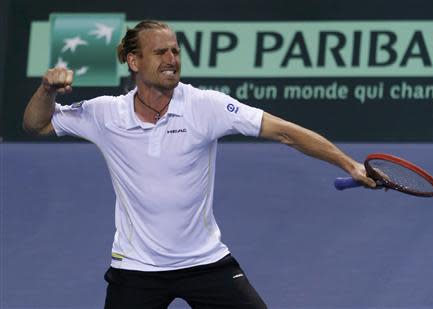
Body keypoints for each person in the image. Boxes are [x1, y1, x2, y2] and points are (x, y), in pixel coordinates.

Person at [23, 20, 376, 309]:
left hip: (204, 263)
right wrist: (46, 90)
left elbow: (284, 132)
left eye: (175, 51)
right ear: (134, 61)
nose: (171, 58)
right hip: (136, 268)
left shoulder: (205, 106)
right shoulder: (105, 114)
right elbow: (35, 124)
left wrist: (349, 164)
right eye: (160, 52)